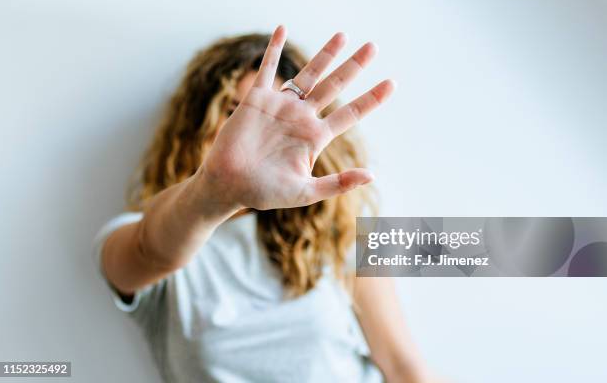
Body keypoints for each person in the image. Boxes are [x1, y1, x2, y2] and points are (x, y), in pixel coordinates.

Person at [94, 26, 434, 382]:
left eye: (273, 121)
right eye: (232, 113)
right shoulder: (144, 239)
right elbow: (150, 251)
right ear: (196, 126)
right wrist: (214, 190)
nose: (255, 138)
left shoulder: (337, 227)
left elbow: (402, 365)